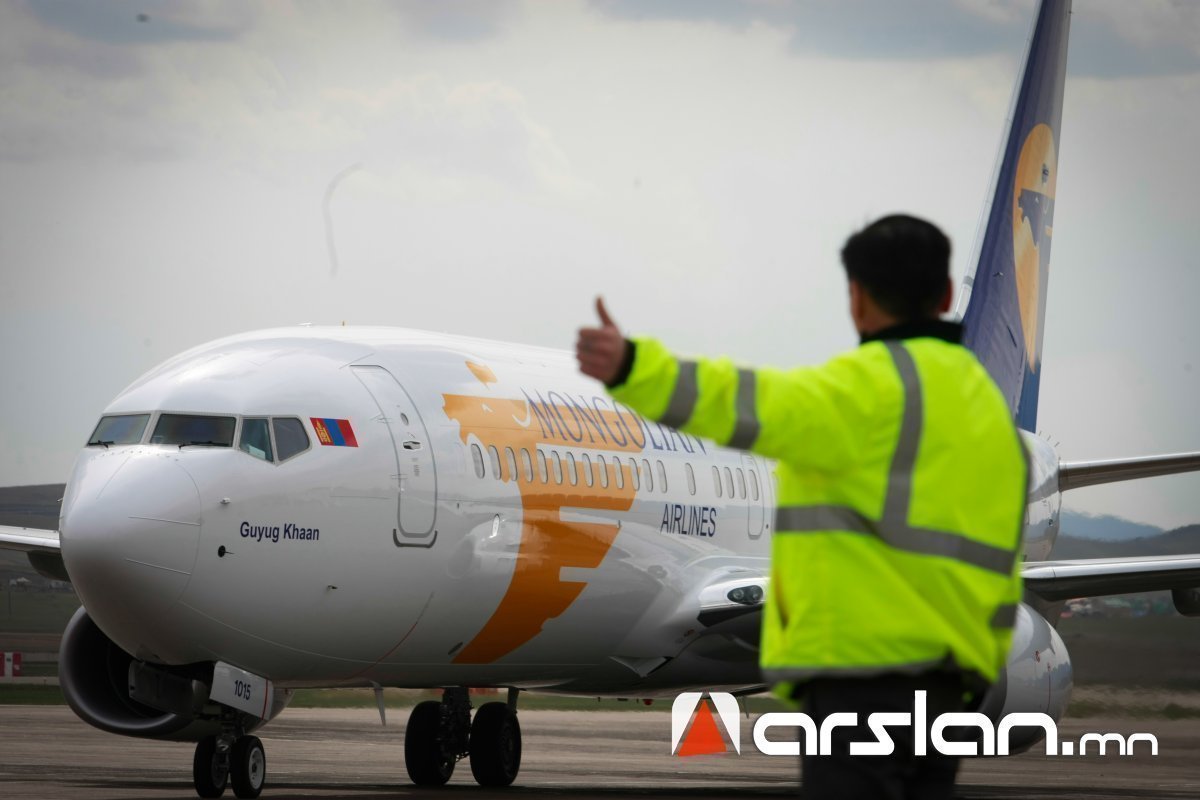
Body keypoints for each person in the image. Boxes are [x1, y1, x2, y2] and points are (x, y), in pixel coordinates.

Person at [575, 214, 1027, 800]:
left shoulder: (860, 389)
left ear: (856, 298)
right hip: (949, 679)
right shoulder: (990, 410)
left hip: (859, 675)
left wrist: (634, 367)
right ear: (944, 295)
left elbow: (739, 403)